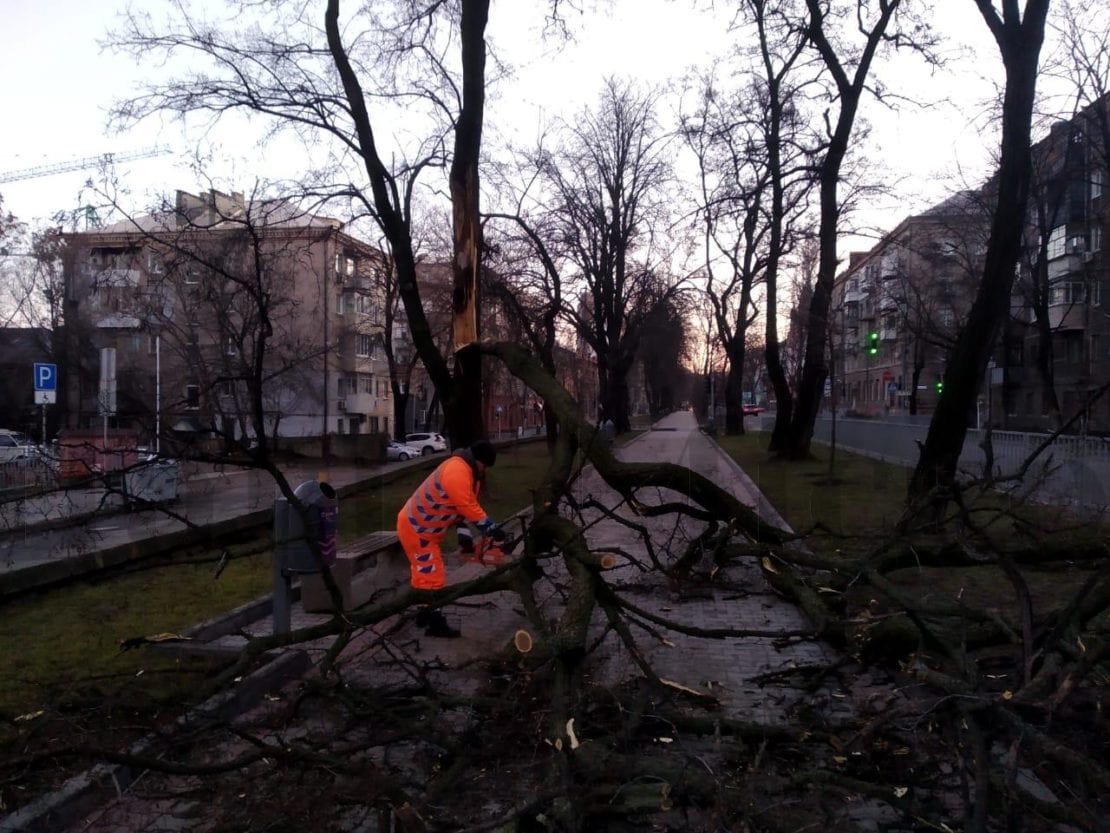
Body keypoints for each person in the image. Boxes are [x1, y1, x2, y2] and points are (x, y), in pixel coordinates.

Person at [396, 440, 505, 638]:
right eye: (485, 466)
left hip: (422, 529)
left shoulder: (468, 473)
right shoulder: (458, 470)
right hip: (417, 529)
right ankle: (435, 624)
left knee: (423, 576)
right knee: (433, 577)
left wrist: (465, 540)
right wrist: (490, 528)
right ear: (479, 461)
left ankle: (424, 614)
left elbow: (459, 510)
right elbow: (466, 506)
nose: (485, 471)